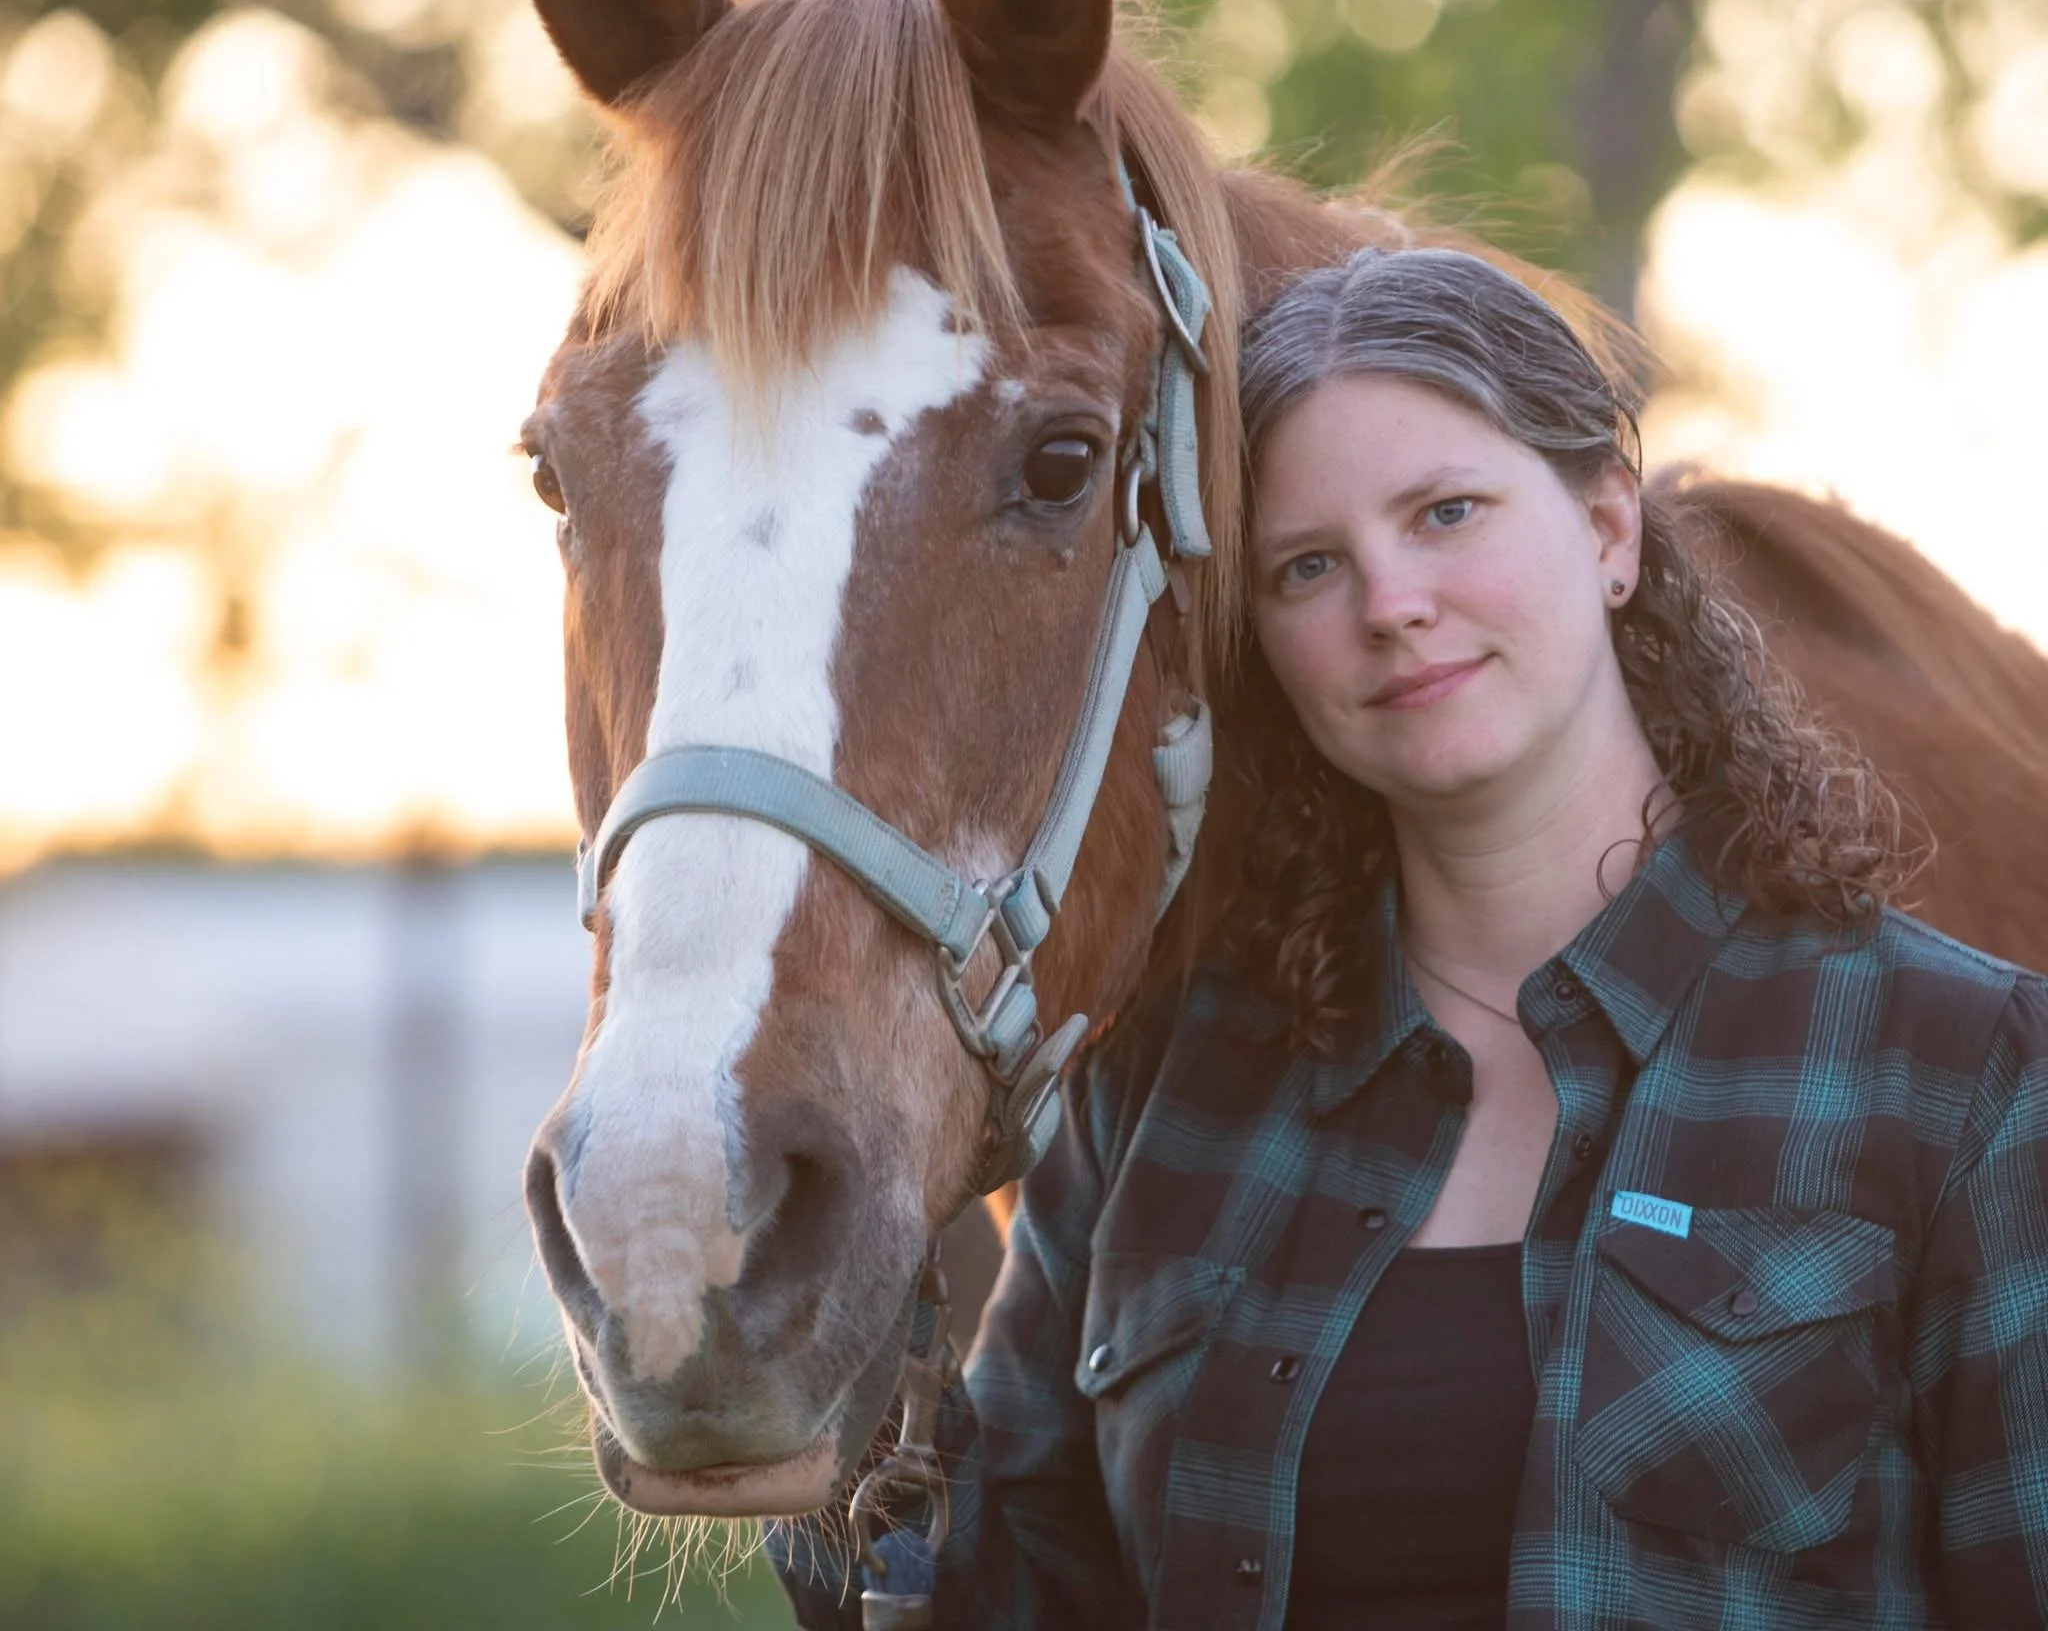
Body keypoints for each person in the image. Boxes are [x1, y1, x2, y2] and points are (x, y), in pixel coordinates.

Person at [774, 245, 2048, 1629]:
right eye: (1308, 566)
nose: (1390, 606)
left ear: (1610, 531)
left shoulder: (1957, 1071)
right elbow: (999, 1605)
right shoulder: (1162, 1090)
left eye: (1447, 513)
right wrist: (838, 1380)